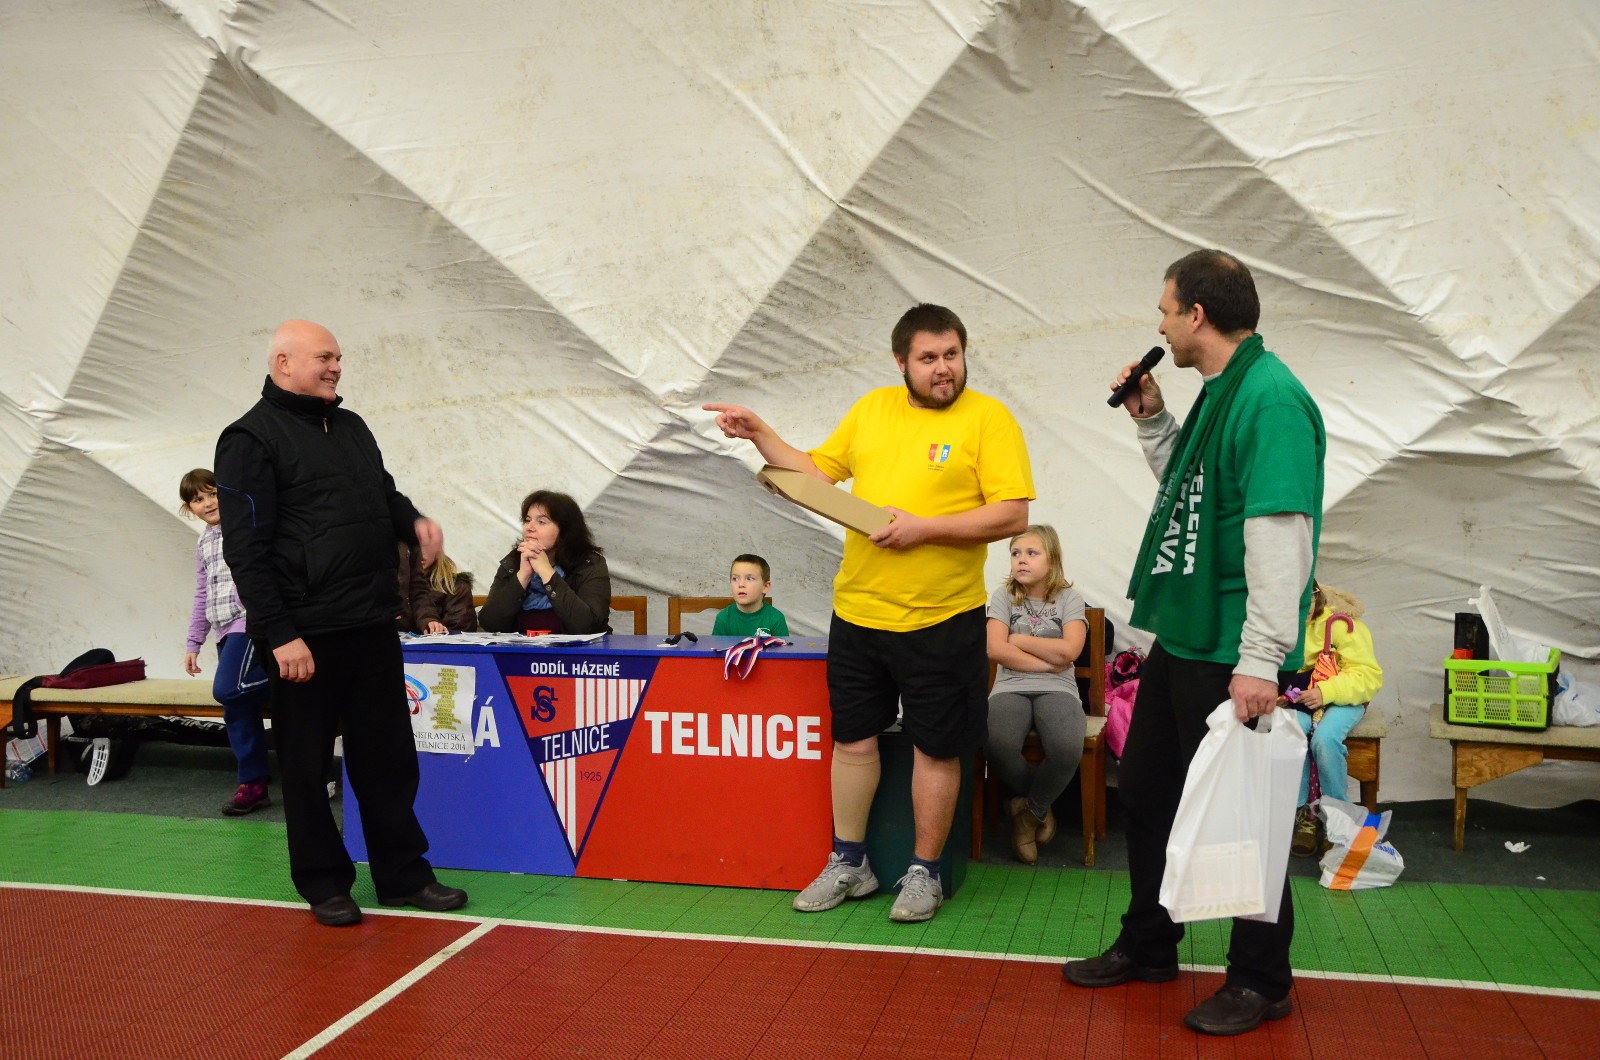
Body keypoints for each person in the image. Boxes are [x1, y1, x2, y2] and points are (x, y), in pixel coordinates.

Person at [1062, 250, 1325, 1037]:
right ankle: (1151, 943)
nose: (1161, 325)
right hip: (1186, 635)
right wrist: (1152, 418)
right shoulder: (1221, 391)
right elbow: (1194, 494)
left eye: (1166, 311)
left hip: (1232, 647)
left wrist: (1261, 659)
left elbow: (1281, 534)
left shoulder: (1271, 400)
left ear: (1197, 315)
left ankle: (1261, 979)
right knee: (1146, 791)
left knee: (1246, 817)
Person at [705, 303, 1033, 923]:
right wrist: (759, 432)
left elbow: (1012, 513)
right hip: (858, 612)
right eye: (928, 358)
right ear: (901, 362)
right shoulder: (872, 409)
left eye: (952, 355)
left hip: (943, 617)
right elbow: (814, 472)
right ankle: (849, 862)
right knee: (853, 740)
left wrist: (923, 529)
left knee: (937, 748)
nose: (943, 368)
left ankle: (924, 872)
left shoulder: (989, 418)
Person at [215, 320, 467, 928]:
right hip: (303, 636)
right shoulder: (248, 439)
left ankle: (403, 875)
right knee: (306, 767)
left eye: (338, 358)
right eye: (324, 357)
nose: (336, 367)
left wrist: (413, 523)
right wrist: (280, 633)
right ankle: (324, 883)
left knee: (388, 759)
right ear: (284, 362)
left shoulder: (351, 426)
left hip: (371, 622)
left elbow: (385, 496)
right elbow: (246, 550)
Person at [984, 524, 1087, 864]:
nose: (1021, 560)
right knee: (996, 744)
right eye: (1016, 553)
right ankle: (1040, 806)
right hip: (1010, 686)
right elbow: (995, 649)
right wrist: (1047, 663)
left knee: (1066, 748)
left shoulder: (1069, 599)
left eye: (1031, 553)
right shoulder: (1003, 597)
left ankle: (1027, 813)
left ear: (1051, 559)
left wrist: (1018, 639)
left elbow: (1070, 650)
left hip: (1059, 688)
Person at [178, 468, 271, 816]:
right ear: (189, 508)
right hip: (222, 629)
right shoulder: (203, 543)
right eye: (197, 500)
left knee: (227, 689)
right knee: (237, 707)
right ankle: (253, 783)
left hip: (249, 623)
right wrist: (193, 642)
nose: (207, 503)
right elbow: (202, 593)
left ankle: (288, 679)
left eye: (212, 494)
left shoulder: (244, 526)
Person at [1286, 581, 1382, 857]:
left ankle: (1339, 819)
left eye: (1309, 599)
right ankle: (1304, 815)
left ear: (1317, 596)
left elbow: (1367, 675)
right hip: (1302, 696)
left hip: (1343, 698)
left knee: (1325, 739)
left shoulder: (1342, 624)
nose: (1304, 608)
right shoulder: (1280, 627)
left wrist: (1326, 692)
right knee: (1293, 733)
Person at [478, 490, 612, 635]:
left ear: (565, 530)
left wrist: (546, 571)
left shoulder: (589, 563)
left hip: (576, 649)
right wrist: (523, 575)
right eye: (527, 520)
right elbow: (490, 623)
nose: (529, 528)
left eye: (541, 522)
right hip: (521, 647)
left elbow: (588, 626)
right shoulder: (514, 561)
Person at [712, 554, 790, 637]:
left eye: (749, 578)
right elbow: (716, 645)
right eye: (735, 579)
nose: (741, 584)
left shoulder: (776, 619)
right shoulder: (723, 618)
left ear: (765, 586)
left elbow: (782, 645)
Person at [410, 551, 479, 635]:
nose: (420, 552)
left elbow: (459, 632)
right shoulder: (397, 585)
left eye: (426, 546)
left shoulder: (454, 587)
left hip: (435, 641)